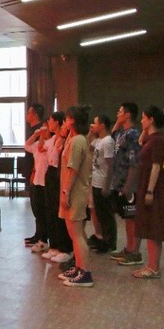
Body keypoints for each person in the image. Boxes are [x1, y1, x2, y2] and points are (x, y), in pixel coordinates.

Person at [129, 106, 164, 278]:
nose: (141, 121)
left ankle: (154, 268)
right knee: (147, 225)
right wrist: (145, 130)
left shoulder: (158, 140)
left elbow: (156, 166)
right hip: (145, 184)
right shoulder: (150, 138)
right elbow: (140, 142)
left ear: (151, 119)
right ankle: (151, 265)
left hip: (154, 187)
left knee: (154, 227)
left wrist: (150, 191)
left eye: (144, 118)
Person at [58, 105, 95, 287]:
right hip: (73, 190)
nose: (64, 122)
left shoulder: (78, 140)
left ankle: (85, 273)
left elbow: (73, 169)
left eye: (66, 119)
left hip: (76, 191)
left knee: (77, 234)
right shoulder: (74, 139)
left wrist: (66, 192)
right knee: (74, 233)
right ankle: (79, 267)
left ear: (72, 121)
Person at [109, 103, 142, 266]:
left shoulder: (133, 134)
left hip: (129, 184)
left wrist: (129, 185)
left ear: (128, 115)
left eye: (120, 111)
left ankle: (135, 252)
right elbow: (112, 134)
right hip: (119, 182)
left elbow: (134, 162)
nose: (117, 113)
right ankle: (129, 248)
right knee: (127, 219)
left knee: (132, 218)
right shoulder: (122, 133)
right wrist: (119, 121)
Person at [40, 111, 74, 264]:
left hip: (59, 174)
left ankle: (65, 248)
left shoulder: (67, 140)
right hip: (51, 173)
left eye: (51, 120)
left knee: (59, 212)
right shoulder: (53, 139)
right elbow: (40, 148)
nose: (48, 122)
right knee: (50, 210)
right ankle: (54, 245)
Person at [88, 114, 114, 253]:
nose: (93, 125)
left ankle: (110, 242)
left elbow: (110, 165)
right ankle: (103, 239)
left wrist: (107, 185)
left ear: (102, 125)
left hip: (103, 182)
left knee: (106, 215)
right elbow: (89, 147)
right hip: (96, 181)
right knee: (99, 214)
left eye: (95, 123)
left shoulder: (108, 141)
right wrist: (91, 133)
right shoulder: (99, 140)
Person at [24, 115, 50, 253]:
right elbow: (27, 145)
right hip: (37, 180)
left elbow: (41, 148)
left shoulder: (50, 143)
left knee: (44, 212)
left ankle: (44, 239)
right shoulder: (37, 144)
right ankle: (39, 236)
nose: (44, 129)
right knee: (37, 211)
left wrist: (42, 137)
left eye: (46, 126)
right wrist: (36, 134)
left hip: (46, 182)